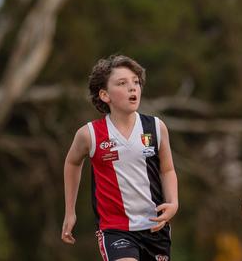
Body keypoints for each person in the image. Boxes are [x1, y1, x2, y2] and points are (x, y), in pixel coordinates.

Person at [61, 55, 178, 261]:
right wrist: (70, 212)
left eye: (135, 82)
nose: (132, 88)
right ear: (105, 95)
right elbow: (72, 162)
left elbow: (167, 170)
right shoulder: (89, 134)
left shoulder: (156, 127)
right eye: (122, 83)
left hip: (155, 228)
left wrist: (173, 203)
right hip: (115, 229)